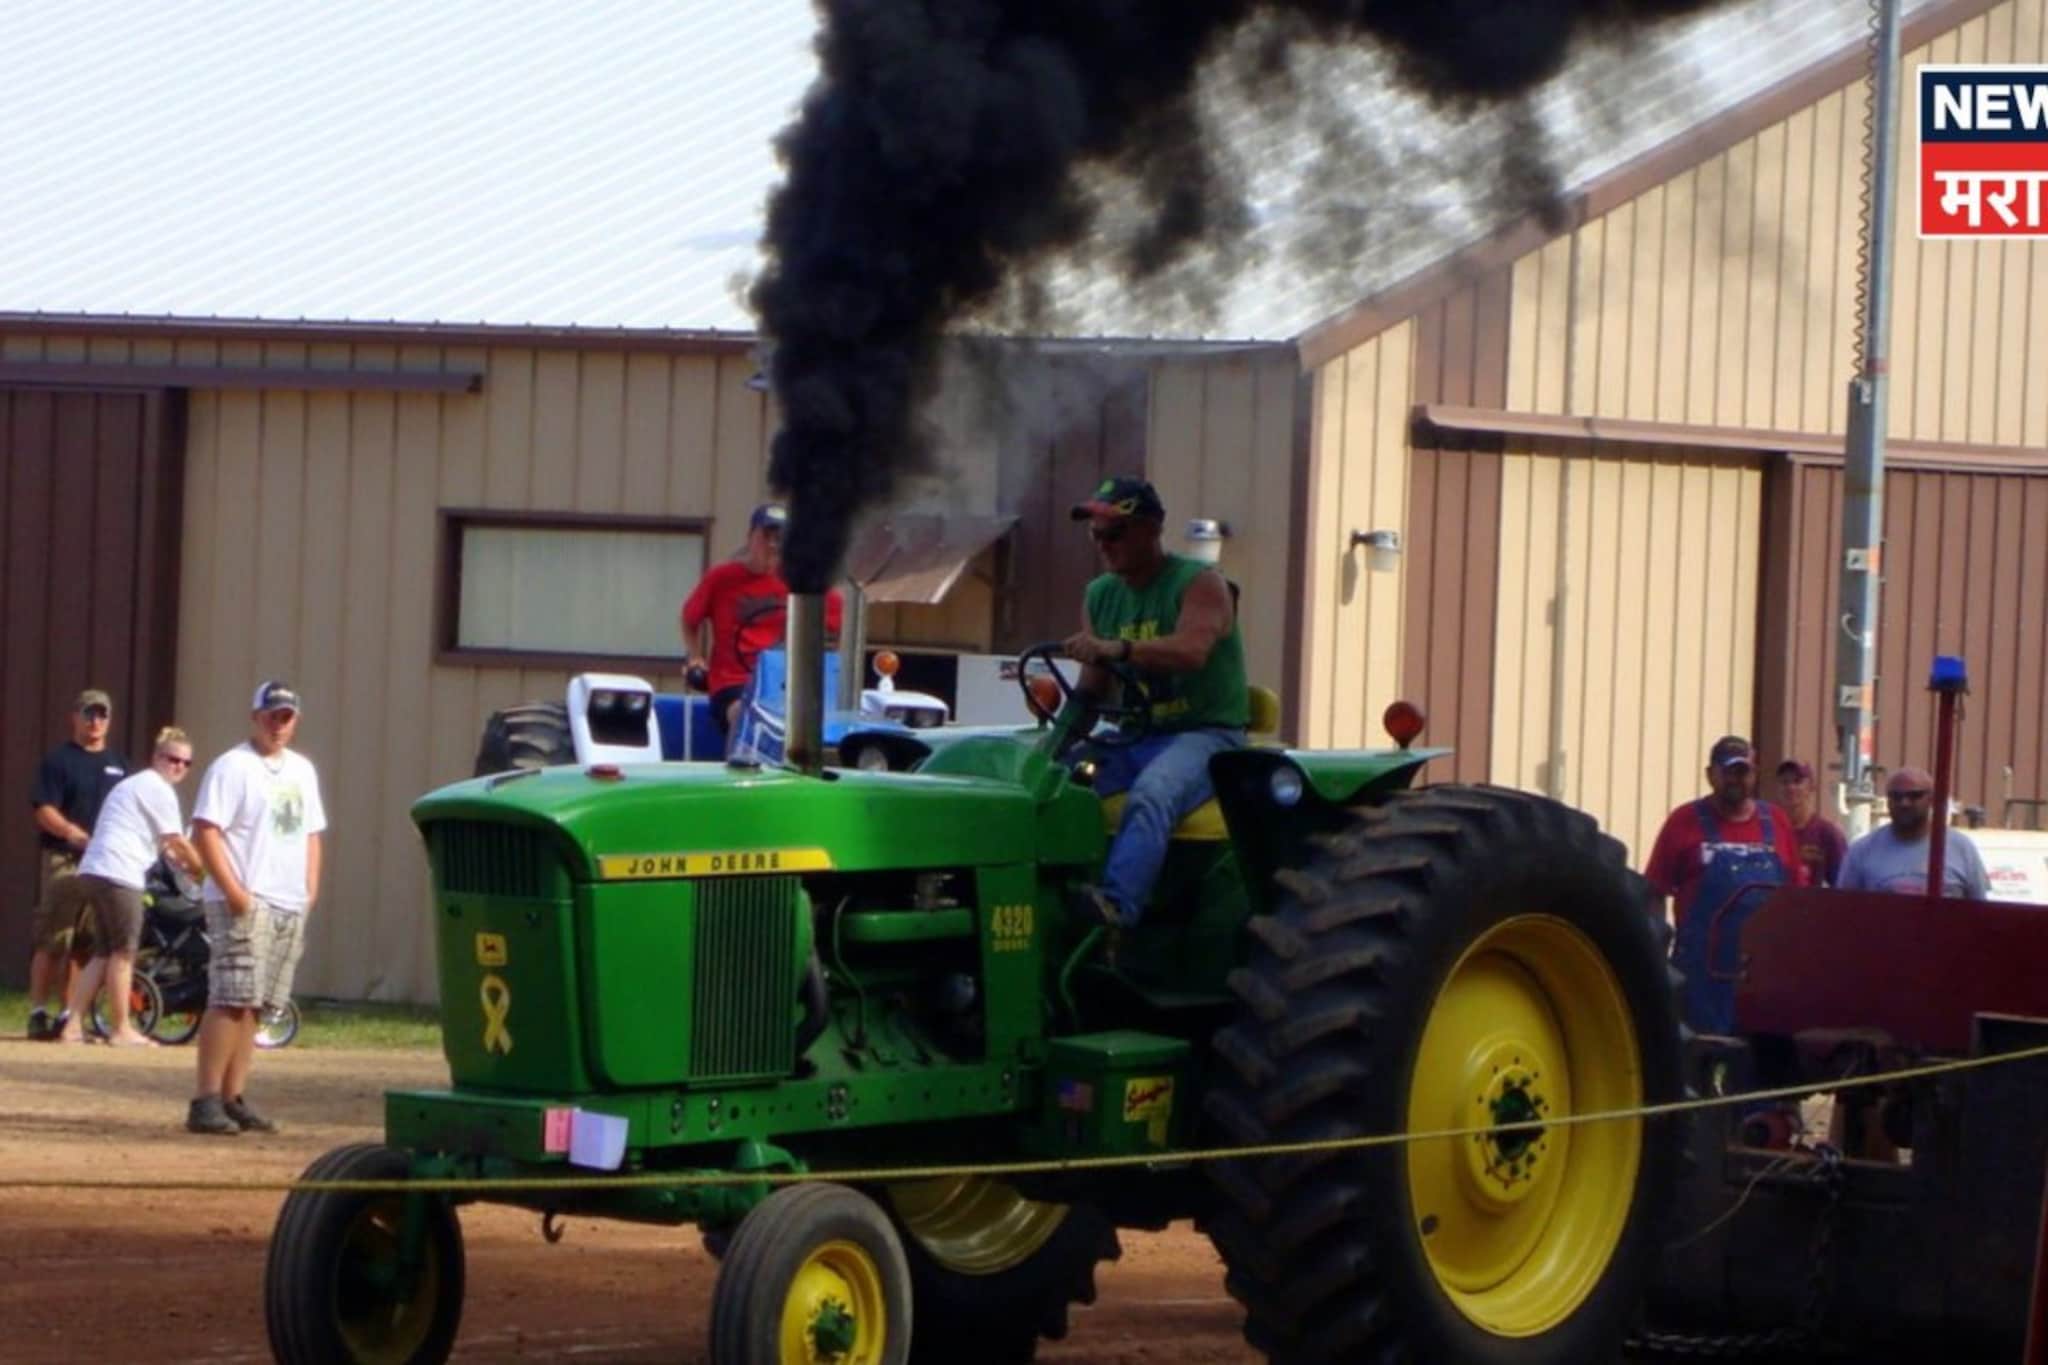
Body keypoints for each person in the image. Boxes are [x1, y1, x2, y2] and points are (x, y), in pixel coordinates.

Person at [1061, 476, 1249, 928]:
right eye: (1096, 533)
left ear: (1152, 529)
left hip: (1206, 735)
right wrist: (1052, 749)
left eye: (1115, 531)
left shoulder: (1201, 583)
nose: (1103, 543)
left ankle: (1116, 910)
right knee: (1055, 787)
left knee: (1152, 794)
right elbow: (1092, 689)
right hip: (1137, 735)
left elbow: (1190, 651)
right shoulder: (1100, 595)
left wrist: (1120, 649)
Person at [186, 682, 327, 1135]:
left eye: (286, 717)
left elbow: (311, 833)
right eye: (272, 716)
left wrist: (309, 889)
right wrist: (234, 892)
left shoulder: (302, 771)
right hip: (247, 897)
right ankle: (205, 1098)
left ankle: (233, 1096)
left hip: (287, 900)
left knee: (259, 1003)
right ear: (255, 717)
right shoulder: (233, 767)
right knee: (231, 997)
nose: (278, 725)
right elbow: (206, 831)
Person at [1644, 735, 1806, 1034]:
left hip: (1765, 978)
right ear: (1710, 775)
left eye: (1743, 772)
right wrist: (1658, 958)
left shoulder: (1777, 822)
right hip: (1700, 977)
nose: (1736, 779)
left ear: (1754, 776)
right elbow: (1654, 891)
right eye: (1728, 771)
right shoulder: (1684, 821)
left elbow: (1795, 896)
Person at [56, 728, 202, 1045]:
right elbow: (176, 841)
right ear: (156, 758)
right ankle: (122, 1028)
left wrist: (183, 863)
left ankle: (72, 1027)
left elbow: (166, 848)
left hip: (95, 869)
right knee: (125, 952)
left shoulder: (137, 785)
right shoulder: (157, 788)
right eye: (172, 758)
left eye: (186, 763)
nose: (178, 766)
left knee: (104, 953)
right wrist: (205, 873)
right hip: (119, 872)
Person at [681, 502, 844, 745]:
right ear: (750, 538)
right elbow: (689, 619)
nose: (772, 545)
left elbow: (835, 624)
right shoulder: (722, 579)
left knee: (809, 720)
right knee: (744, 714)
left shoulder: (804, 583)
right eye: (765, 536)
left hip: (782, 683)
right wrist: (695, 657)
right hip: (734, 682)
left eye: (779, 538)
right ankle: (739, 766)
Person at [25, 689, 130, 1040]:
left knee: (87, 944)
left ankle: (70, 1015)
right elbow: (44, 808)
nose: (95, 721)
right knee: (54, 939)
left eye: (101, 715)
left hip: (104, 864)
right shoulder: (59, 761)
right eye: (89, 714)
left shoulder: (119, 765)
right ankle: (38, 1011)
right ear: (75, 717)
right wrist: (72, 833)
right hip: (66, 860)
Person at [1838, 766, 1990, 899]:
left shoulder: (1962, 849)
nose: (1904, 803)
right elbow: (1845, 911)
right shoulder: (1862, 851)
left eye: (1914, 796)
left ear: (1932, 799)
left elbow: (1978, 912)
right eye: (1896, 796)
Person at [1775, 758, 1848, 889]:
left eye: (1797, 782)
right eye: (1784, 782)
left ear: (1811, 787)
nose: (1790, 787)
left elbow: (1843, 884)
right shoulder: (1770, 830)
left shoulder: (1827, 833)